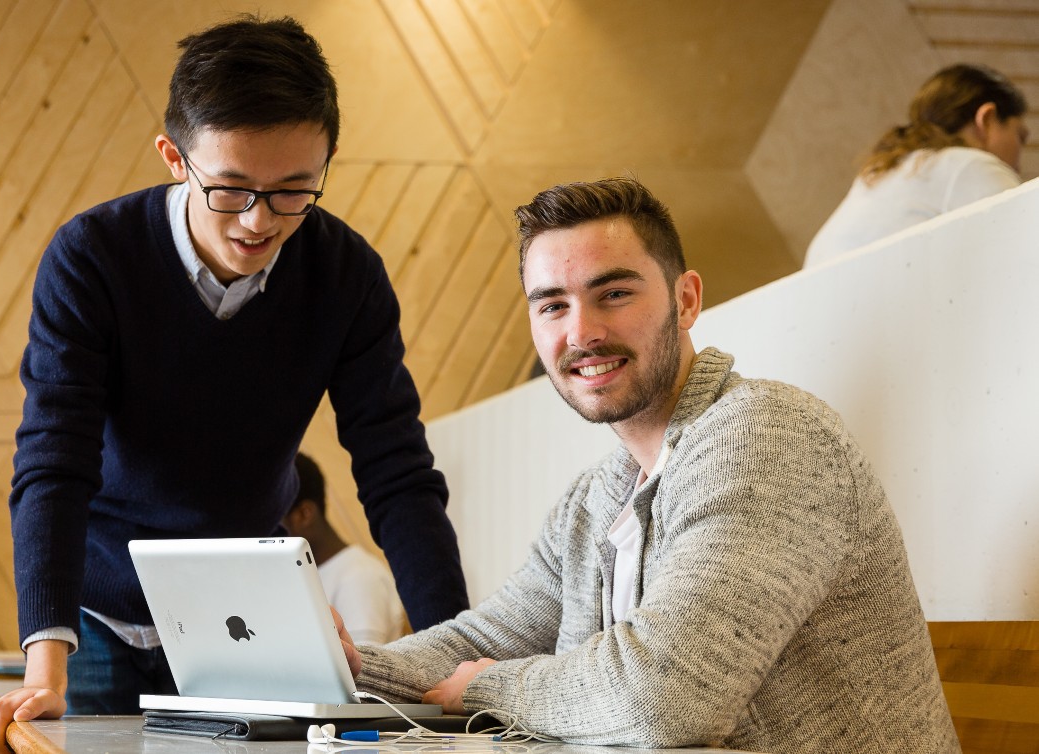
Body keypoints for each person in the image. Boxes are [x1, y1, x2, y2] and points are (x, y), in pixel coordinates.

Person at [0, 14, 467, 747]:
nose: (257, 221)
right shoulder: (93, 258)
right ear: (175, 157)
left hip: (245, 611)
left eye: (293, 191)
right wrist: (43, 667)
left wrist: (455, 653)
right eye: (231, 188)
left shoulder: (347, 276)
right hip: (100, 608)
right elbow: (54, 461)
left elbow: (397, 471)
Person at [341, 178, 959, 754]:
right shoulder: (597, 498)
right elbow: (489, 638)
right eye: (552, 305)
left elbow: (664, 697)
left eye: (613, 293)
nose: (581, 333)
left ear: (685, 300)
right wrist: (354, 666)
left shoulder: (768, 437)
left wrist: (489, 689)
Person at [805, 63, 1028, 267]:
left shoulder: (876, 175)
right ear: (986, 119)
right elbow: (1027, 257)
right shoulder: (969, 165)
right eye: (1020, 135)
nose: (1018, 165)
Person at [281, 452, 405, 644]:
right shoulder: (307, 573)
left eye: (272, 525)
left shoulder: (359, 577)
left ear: (304, 515)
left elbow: (361, 668)